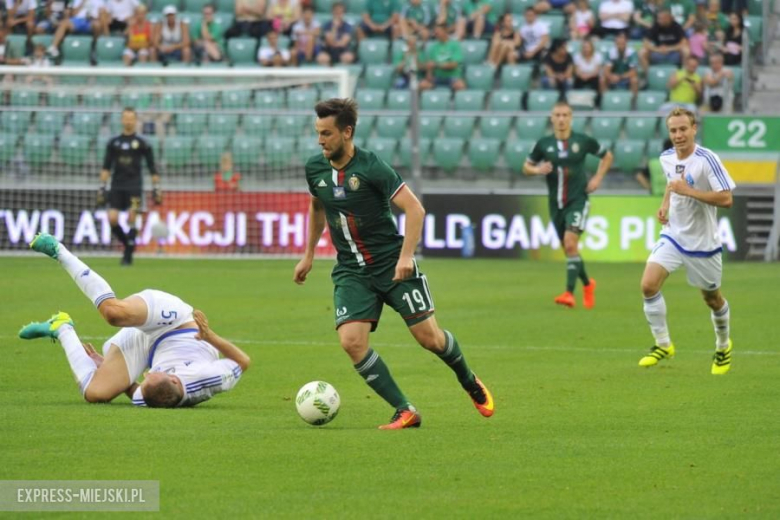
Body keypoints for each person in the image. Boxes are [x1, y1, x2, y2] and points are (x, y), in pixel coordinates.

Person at [294, 98, 494, 430]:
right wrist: (309, 254)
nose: (320, 140)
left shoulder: (373, 168)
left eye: (327, 133)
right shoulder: (315, 169)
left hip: (391, 264)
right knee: (351, 342)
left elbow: (415, 209)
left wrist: (406, 257)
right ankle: (405, 410)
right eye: (318, 133)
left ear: (347, 132)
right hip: (351, 271)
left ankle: (468, 378)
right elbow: (317, 207)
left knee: (430, 339)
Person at [19, 233, 250, 406]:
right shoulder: (208, 379)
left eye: (146, 375)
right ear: (176, 380)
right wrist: (209, 336)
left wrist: (110, 370)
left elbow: (136, 390)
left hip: (146, 346)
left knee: (95, 393)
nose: (147, 373)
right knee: (113, 314)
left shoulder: (147, 398)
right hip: (176, 323)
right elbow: (242, 361)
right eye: (151, 374)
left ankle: (61, 328)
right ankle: (58, 250)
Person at [638, 107, 735, 374]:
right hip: (674, 235)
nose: (678, 135)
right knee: (648, 285)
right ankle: (663, 344)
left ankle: (723, 346)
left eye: (683, 129)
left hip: (703, 244)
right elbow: (673, 185)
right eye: (673, 130)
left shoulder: (707, 159)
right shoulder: (666, 157)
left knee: (712, 299)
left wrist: (689, 191)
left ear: (694, 129)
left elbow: (726, 199)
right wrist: (665, 205)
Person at [523, 100, 614, 309]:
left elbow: (607, 156)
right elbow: (526, 166)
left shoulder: (582, 141)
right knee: (569, 249)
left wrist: (597, 178)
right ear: (552, 118)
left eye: (565, 115)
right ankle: (588, 284)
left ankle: (569, 293)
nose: (562, 119)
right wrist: (537, 170)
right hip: (555, 204)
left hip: (578, 200)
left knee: (571, 243)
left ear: (571, 118)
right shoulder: (543, 144)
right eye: (558, 115)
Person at [99, 107, 161, 266]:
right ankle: (129, 243)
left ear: (135, 120)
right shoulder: (113, 143)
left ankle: (127, 255)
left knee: (132, 217)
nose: (128, 121)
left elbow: (152, 167)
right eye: (125, 118)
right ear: (122, 120)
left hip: (135, 186)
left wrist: (156, 188)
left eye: (131, 118)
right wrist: (102, 187)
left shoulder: (142, 143)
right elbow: (106, 167)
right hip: (117, 186)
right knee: (112, 218)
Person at [419, 23, 465, 91]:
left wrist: (437, 65)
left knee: (460, 85)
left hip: (452, 77)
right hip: (437, 77)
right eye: (435, 32)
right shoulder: (433, 47)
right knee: (422, 85)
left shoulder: (455, 45)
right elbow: (430, 64)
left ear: (445, 31)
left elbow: (453, 64)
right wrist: (429, 73)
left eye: (438, 31)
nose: (436, 33)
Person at [318, 1, 354, 66]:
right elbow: (330, 41)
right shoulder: (327, 25)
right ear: (332, 12)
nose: (338, 14)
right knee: (322, 58)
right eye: (336, 11)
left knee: (348, 57)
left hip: (342, 51)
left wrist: (335, 44)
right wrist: (334, 27)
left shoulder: (347, 26)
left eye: (340, 12)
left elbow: (343, 43)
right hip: (328, 51)